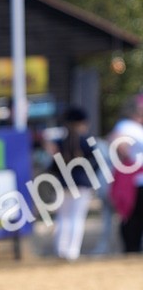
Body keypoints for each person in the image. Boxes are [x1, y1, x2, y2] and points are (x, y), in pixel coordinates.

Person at [51, 107, 95, 262]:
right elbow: (95, 164)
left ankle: (60, 249)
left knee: (63, 217)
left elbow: (53, 167)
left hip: (63, 184)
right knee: (77, 218)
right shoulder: (87, 141)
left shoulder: (59, 142)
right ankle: (72, 251)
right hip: (82, 184)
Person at [107, 93, 143, 253]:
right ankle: (130, 247)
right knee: (132, 215)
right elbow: (115, 139)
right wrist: (125, 153)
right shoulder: (126, 125)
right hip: (134, 179)